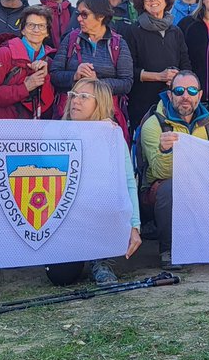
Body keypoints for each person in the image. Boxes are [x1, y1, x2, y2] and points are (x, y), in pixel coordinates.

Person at [140, 70, 209, 269]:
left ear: (200, 95)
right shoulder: (154, 125)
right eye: (179, 91)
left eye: (192, 91)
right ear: (170, 95)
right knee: (170, 188)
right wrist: (166, 151)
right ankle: (169, 250)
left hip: (204, 185)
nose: (185, 96)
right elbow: (161, 172)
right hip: (163, 189)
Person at [49, 78, 143, 286]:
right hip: (64, 213)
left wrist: (134, 225)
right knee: (61, 276)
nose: (75, 101)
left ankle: (101, 260)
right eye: (73, 95)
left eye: (84, 97)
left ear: (99, 104)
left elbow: (127, 181)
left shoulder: (112, 135)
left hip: (99, 212)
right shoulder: (53, 131)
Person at [51, 0, 134, 127]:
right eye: (78, 14)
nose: (79, 19)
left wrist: (97, 84)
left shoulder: (118, 44)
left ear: (101, 16)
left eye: (84, 14)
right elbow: (54, 75)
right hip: (71, 115)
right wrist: (75, 75)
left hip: (105, 116)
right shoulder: (71, 39)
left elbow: (126, 83)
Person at [124, 0, 191, 132]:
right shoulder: (133, 31)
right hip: (142, 103)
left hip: (172, 102)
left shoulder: (176, 31)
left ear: (166, 0)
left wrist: (177, 78)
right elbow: (128, 70)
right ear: (142, 3)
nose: (153, 0)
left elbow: (186, 65)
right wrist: (159, 76)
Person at [0, 5, 56, 119]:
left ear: (47, 32)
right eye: (31, 25)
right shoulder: (5, 53)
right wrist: (25, 87)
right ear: (22, 30)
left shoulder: (48, 61)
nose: (36, 30)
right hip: (2, 123)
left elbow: (47, 106)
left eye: (41, 26)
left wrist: (45, 78)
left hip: (31, 125)